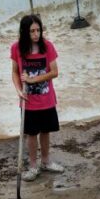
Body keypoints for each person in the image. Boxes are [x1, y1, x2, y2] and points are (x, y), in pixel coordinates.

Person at [10, 13, 63, 181]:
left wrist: (33, 79)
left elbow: (54, 72)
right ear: (24, 32)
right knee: (31, 134)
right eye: (32, 31)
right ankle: (33, 167)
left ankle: (46, 162)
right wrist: (19, 90)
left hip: (46, 100)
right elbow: (15, 72)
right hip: (28, 102)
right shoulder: (17, 48)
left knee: (45, 131)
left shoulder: (47, 46)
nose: (36, 34)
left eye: (38, 30)